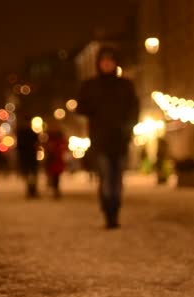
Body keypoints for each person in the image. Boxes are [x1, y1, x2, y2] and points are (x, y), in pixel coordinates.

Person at [77, 46, 139, 229]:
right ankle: (108, 211)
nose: (107, 64)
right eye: (104, 61)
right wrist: (93, 106)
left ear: (115, 63)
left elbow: (134, 108)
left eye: (110, 61)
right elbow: (81, 107)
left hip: (120, 140)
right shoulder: (91, 86)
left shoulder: (125, 85)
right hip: (100, 140)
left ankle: (115, 210)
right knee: (105, 178)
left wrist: (128, 128)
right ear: (99, 63)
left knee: (117, 179)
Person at [16, 115, 40, 198]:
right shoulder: (31, 133)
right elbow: (37, 144)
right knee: (31, 174)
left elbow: (19, 147)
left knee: (29, 175)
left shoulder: (21, 133)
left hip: (28, 157)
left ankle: (31, 190)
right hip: (30, 157)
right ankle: (31, 190)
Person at [44, 128, 68, 199]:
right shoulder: (58, 142)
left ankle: (55, 189)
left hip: (54, 162)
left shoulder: (52, 142)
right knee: (56, 177)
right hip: (55, 162)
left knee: (55, 177)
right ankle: (55, 189)